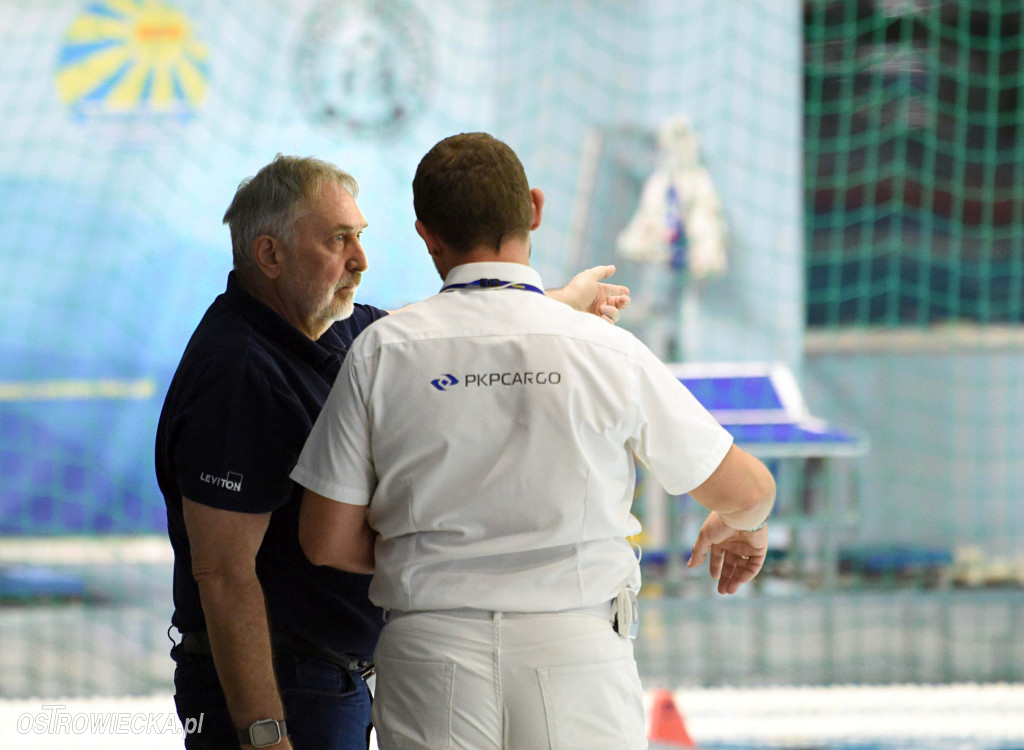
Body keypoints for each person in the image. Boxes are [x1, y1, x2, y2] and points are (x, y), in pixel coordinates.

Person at [290, 133, 778, 750]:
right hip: (578, 655)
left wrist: (446, 551)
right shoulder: (603, 350)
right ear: (536, 211)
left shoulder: (383, 351)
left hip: (430, 652)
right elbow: (749, 490)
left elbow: (325, 538)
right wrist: (746, 522)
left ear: (426, 234)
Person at [154, 153, 631, 750]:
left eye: (360, 236)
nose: (360, 259)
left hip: (332, 679)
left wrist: (560, 302)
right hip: (281, 691)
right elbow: (222, 573)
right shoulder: (240, 371)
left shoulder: (327, 329)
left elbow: (432, 329)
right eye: (338, 240)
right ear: (270, 255)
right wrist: (264, 734)